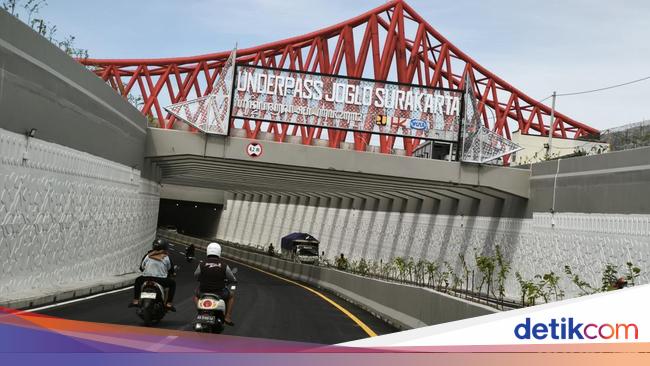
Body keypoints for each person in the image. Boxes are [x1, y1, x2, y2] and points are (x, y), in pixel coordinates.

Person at [194, 242, 237, 326]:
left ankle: (200, 311)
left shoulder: (202, 264)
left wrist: (201, 278)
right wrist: (232, 281)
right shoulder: (224, 266)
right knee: (231, 296)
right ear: (219, 252)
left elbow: (196, 275)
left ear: (208, 251)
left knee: (195, 295)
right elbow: (231, 278)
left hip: (203, 291)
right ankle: (227, 317)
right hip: (219, 293)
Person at [129, 238, 177, 311]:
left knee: (138, 280)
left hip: (146, 278)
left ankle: (136, 301)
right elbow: (170, 269)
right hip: (160, 280)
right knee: (173, 283)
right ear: (165, 247)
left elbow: (142, 267)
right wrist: (172, 273)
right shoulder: (166, 257)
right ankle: (168, 304)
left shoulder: (148, 255)